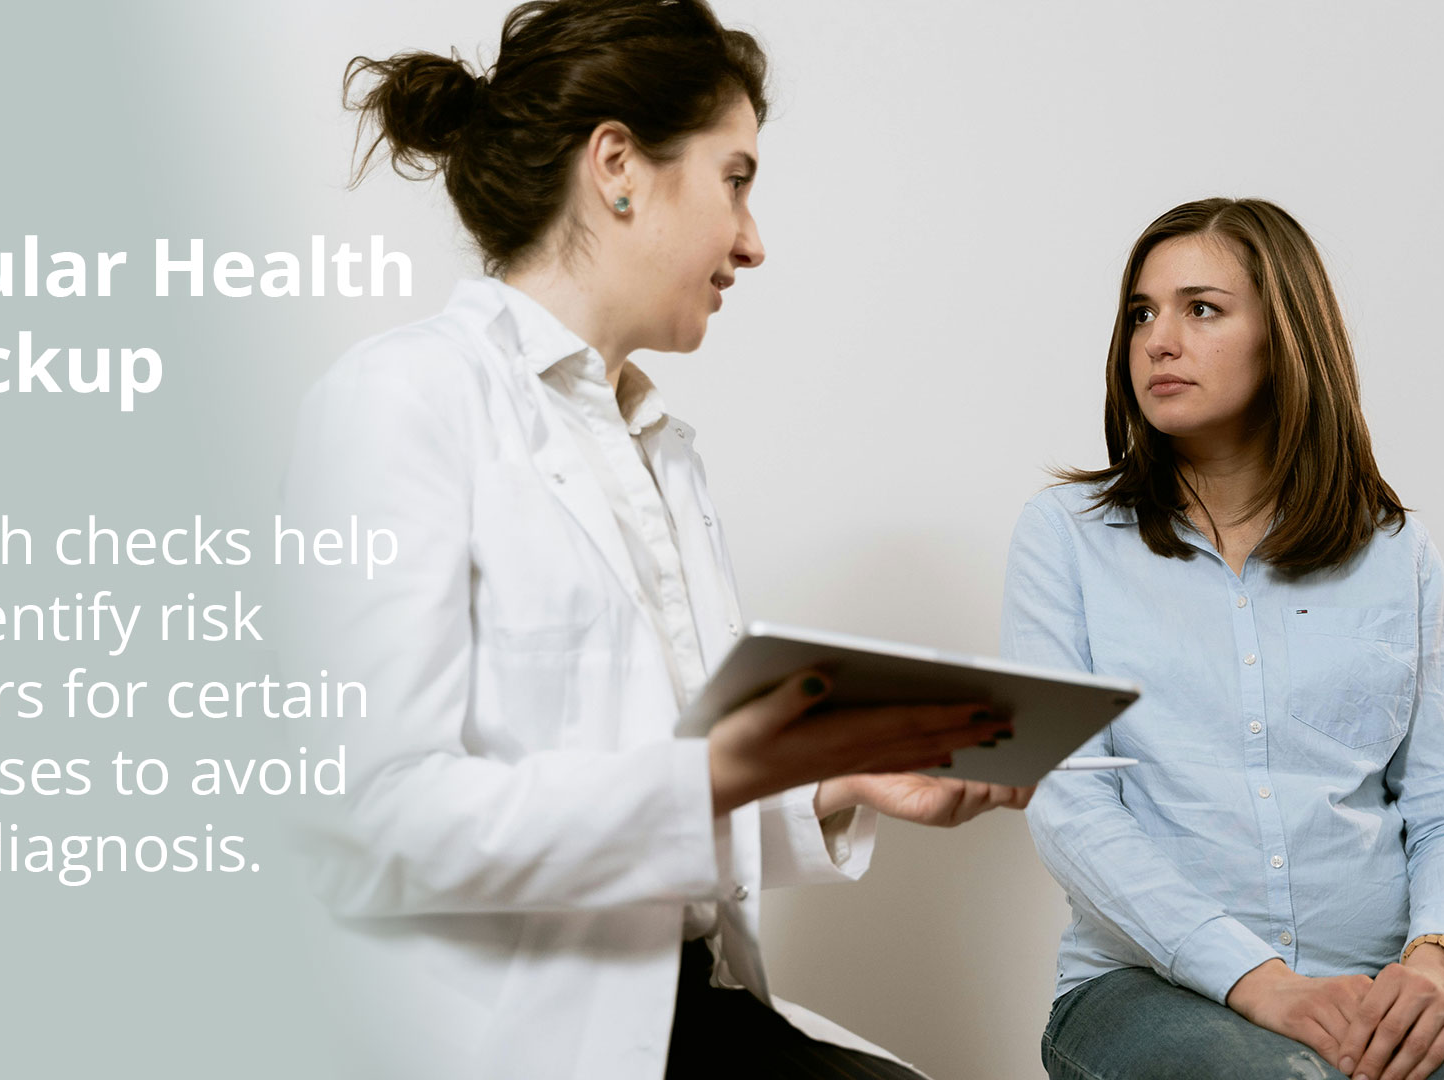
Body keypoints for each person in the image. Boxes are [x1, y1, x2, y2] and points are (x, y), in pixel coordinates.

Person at [280, 3, 1028, 1077]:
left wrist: (838, 779)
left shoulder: (657, 449)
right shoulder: (402, 401)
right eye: (736, 180)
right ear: (619, 166)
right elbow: (367, 820)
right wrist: (715, 772)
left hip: (684, 1009)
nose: (754, 241)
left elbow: (662, 821)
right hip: (510, 1041)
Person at [1003, 197, 1444, 1080]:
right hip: (1149, 987)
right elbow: (1070, 807)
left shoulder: (1396, 553)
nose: (1158, 341)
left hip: (1385, 971)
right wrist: (1259, 982)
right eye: (1141, 313)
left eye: (1201, 308)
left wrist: (1443, 960)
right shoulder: (1064, 537)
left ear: (1287, 337)